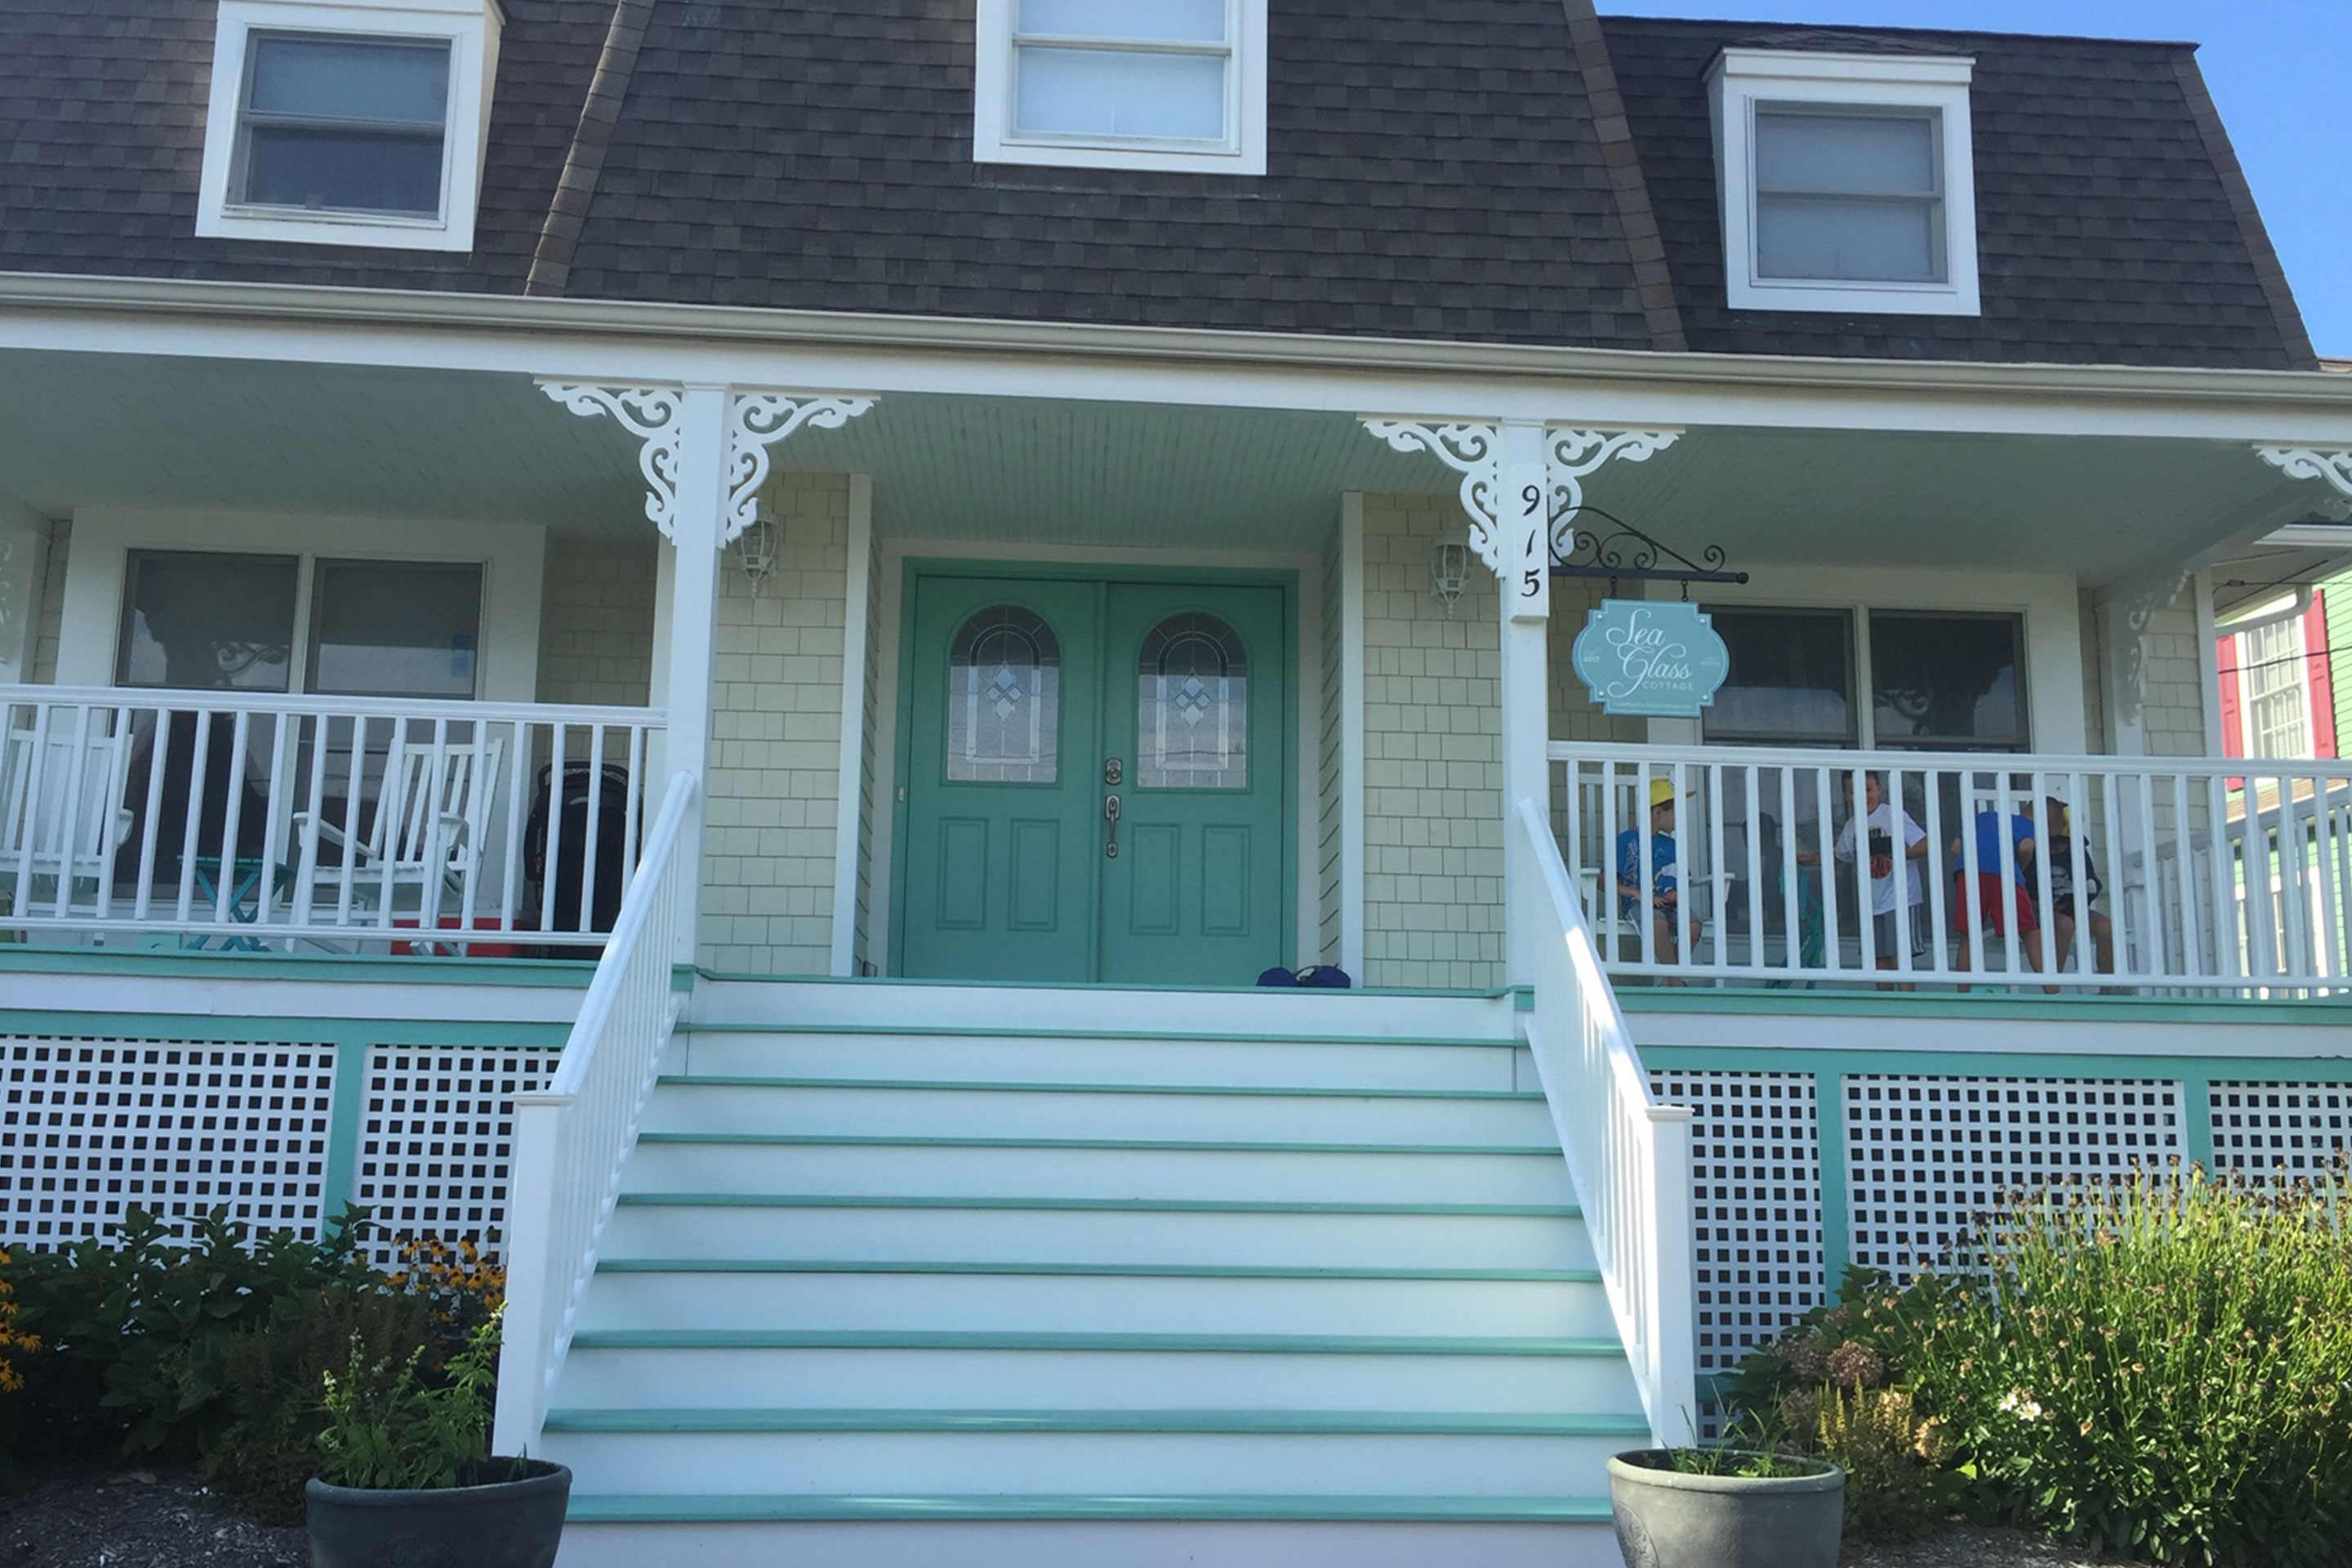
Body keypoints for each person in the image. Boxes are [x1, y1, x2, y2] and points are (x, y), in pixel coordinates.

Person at [1818, 773, 1928, 987]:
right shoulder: (1852, 826)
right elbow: (1839, 856)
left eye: (1868, 790)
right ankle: (1886, 1012)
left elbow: (1924, 844)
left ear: (1879, 789)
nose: (1862, 796)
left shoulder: (1893, 814)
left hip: (1901, 899)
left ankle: (1908, 1010)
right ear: (1846, 796)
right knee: (1879, 960)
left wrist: (1895, 853)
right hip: (1871, 904)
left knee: (1900, 959)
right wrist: (1808, 859)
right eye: (1854, 792)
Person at [1616, 777, 1700, 980]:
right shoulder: (1627, 840)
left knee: (1693, 925)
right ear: (1657, 812)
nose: (1679, 817)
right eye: (1675, 811)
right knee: (1658, 923)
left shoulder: (1671, 845)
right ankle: (1675, 980)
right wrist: (1638, 894)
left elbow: (1681, 878)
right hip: (1640, 903)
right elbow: (1605, 881)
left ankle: (1670, 979)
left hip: (1670, 904)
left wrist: (1677, 893)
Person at [1950, 796, 2040, 985]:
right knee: (2029, 931)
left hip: (1969, 874)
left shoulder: (1981, 817)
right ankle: (2052, 990)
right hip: (2004, 876)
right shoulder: (2029, 825)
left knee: (1969, 934)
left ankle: (1963, 994)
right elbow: (2026, 847)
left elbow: (1955, 848)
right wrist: (2020, 869)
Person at [2028, 795, 2115, 981]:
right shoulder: (2030, 852)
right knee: (2065, 924)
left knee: (2106, 927)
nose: (2059, 846)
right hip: (2040, 911)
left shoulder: (2076, 850)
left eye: (2063, 842)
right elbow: (2024, 890)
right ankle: (2054, 981)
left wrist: (2084, 895)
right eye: (2054, 841)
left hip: (2074, 908)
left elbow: (2092, 882)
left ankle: (2108, 990)